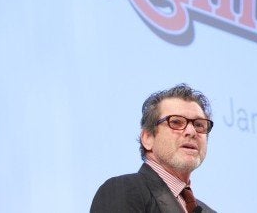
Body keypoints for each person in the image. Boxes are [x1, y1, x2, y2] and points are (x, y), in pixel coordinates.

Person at [91, 83, 217, 213]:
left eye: (199, 125)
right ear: (148, 138)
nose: (191, 132)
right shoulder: (123, 190)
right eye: (176, 122)